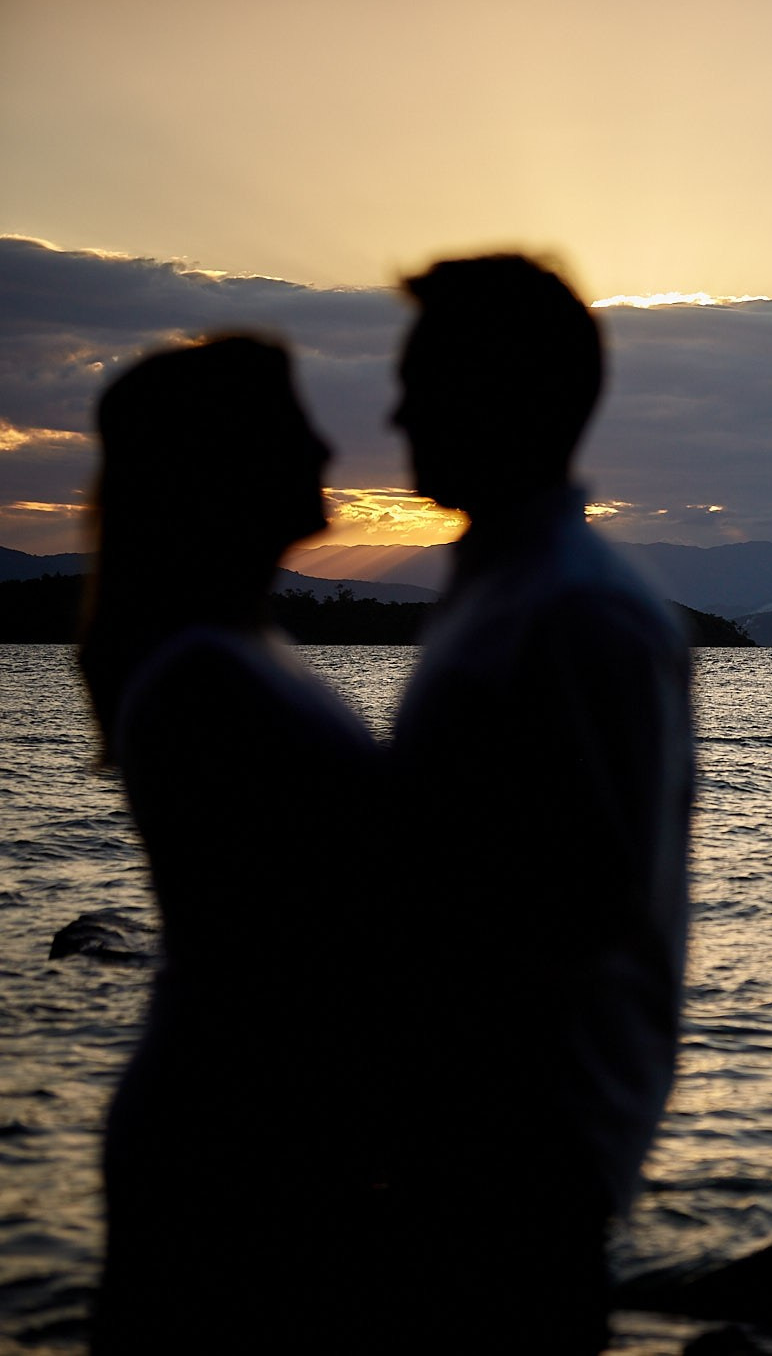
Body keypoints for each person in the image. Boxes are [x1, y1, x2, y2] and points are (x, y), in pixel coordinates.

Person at [382, 254, 695, 1353]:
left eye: (420, 374)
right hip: (472, 1145)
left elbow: (581, 906)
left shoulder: (576, 615)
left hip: (518, 1155)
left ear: (500, 391)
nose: (395, 405)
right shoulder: (505, 592)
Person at [80, 338, 387, 1353]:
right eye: (290, 422)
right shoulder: (203, 678)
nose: (324, 442)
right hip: (233, 1130)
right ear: (221, 464)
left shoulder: (240, 650)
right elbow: (291, 924)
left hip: (270, 1114)